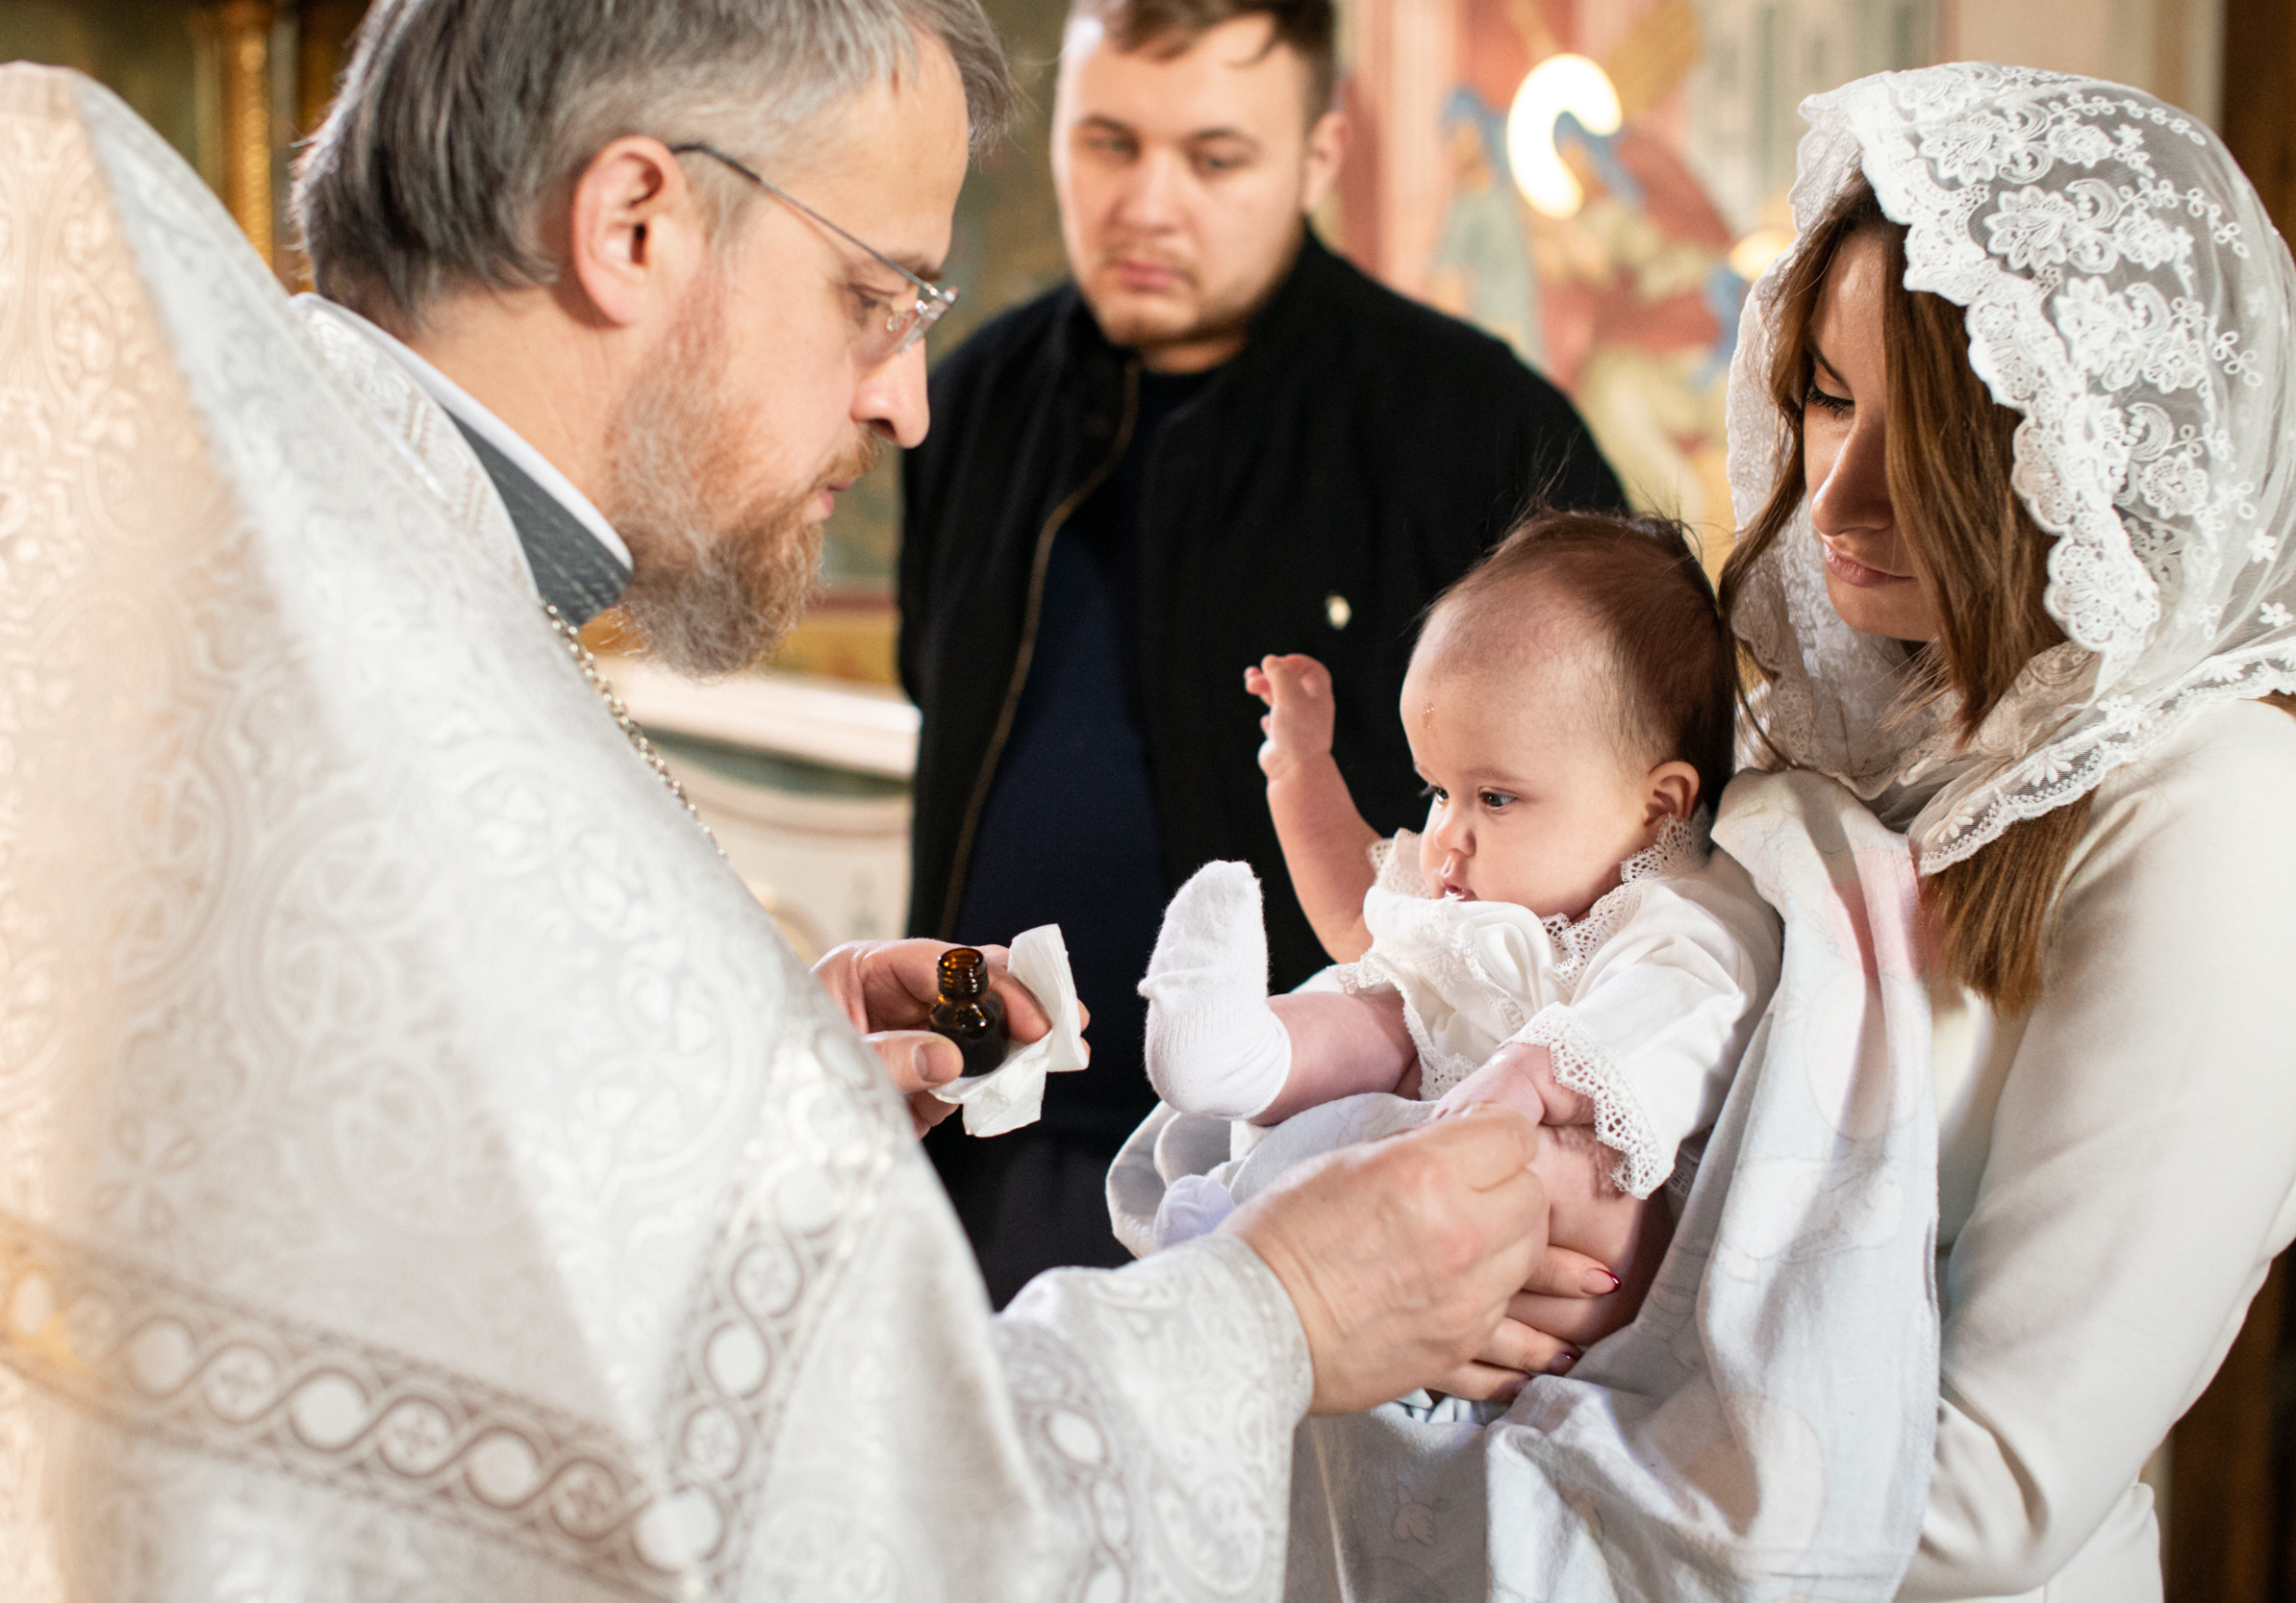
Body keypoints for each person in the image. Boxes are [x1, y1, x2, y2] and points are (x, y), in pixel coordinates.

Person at [0, 3, 1612, 1593]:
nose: (906, 399)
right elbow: (857, 1531)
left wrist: (747, 1059)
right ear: (633, 222)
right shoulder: (371, 649)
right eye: (869, 295)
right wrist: (1282, 1318)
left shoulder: (291, 557)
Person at [1251, 63, 2296, 1601]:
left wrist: (1571, 1296)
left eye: (1935, 434)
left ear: (2086, 447)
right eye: (1829, 397)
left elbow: (1980, 1504)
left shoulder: (2239, 820)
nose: (1836, 497)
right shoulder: (1841, 716)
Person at [897, 0, 1623, 1302]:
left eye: (1215, 157)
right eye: (1109, 143)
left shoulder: (1478, 431)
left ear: (1319, 156)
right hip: (981, 1148)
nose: (1147, 203)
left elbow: (1632, 832)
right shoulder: (966, 403)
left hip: (1318, 1180)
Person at [1138, 513, 1780, 1260]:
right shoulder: (1463, 899)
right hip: (1408, 1132)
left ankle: (1258, 1233)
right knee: (1382, 1005)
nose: (1446, 831)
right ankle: (1238, 1053)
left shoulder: (1680, 920)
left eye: (1495, 798)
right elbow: (1357, 912)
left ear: (1658, 805)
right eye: (1437, 790)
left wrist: (1528, 1078)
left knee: (1554, 1172)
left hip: (1517, 1186)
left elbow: (1674, 1017)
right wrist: (1300, 769)